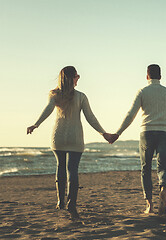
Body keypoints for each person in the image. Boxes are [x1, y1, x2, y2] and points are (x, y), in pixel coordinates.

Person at [27, 66, 113, 219]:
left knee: (60, 167)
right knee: (72, 170)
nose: (78, 78)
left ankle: (60, 201)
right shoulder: (81, 96)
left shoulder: (54, 95)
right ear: (72, 78)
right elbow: (90, 117)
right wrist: (103, 133)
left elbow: (48, 109)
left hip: (58, 136)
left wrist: (36, 124)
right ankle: (71, 204)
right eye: (77, 76)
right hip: (75, 137)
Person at [109, 64, 166, 214]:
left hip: (147, 132)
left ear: (147, 76)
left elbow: (131, 115)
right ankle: (163, 188)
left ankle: (149, 205)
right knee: (162, 167)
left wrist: (118, 133)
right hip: (165, 133)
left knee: (146, 168)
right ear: (161, 77)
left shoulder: (142, 92)